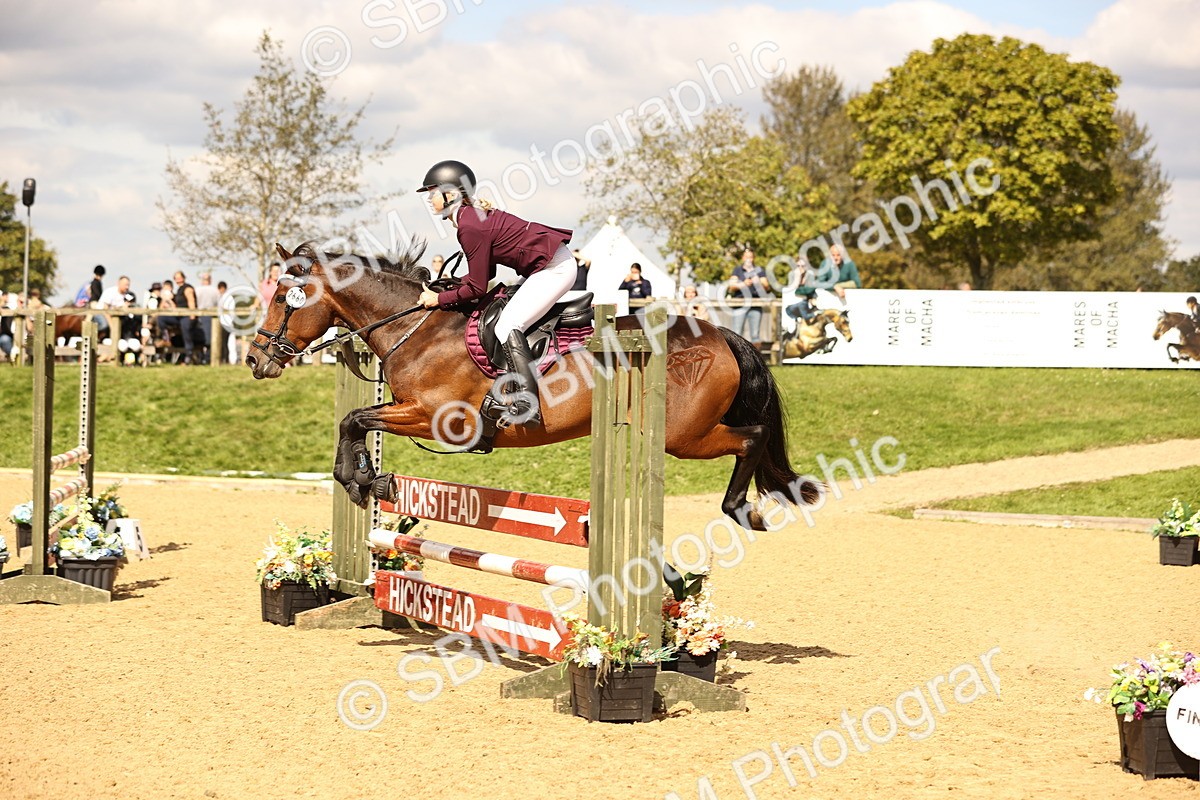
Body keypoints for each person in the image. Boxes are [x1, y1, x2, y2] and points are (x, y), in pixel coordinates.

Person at [415, 160, 574, 429]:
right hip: (548, 266)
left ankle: (526, 404)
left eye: (433, 192)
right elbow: (485, 275)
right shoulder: (468, 218)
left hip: (555, 269)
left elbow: (477, 288)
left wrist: (438, 299)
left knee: (508, 325)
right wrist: (451, 286)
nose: (430, 199)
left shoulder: (469, 226)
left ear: (451, 194)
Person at [727, 248, 772, 343]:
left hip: (755, 304)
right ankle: (736, 357)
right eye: (746, 257)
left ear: (753, 258)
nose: (748, 259)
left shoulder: (759, 270)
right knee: (736, 333)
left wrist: (758, 281)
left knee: (755, 335)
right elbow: (731, 287)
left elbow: (767, 286)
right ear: (743, 258)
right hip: (740, 304)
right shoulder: (737, 270)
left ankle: (755, 357)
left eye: (750, 257)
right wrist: (743, 284)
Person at [98, 275, 142, 365]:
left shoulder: (128, 295)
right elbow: (105, 310)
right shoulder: (110, 292)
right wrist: (112, 325)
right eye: (125, 284)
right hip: (102, 314)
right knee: (106, 326)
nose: (127, 287)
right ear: (119, 283)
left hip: (120, 321)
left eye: (128, 285)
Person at [785, 257, 818, 324]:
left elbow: (810, 289)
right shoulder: (792, 274)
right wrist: (798, 277)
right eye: (798, 266)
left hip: (806, 300)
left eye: (803, 266)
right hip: (794, 301)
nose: (800, 268)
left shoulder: (810, 274)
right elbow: (791, 289)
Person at [0, 291, 13, 360]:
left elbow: (7, 327)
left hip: (4, 334)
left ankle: (12, 357)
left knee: (5, 339)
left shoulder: (7, 309)